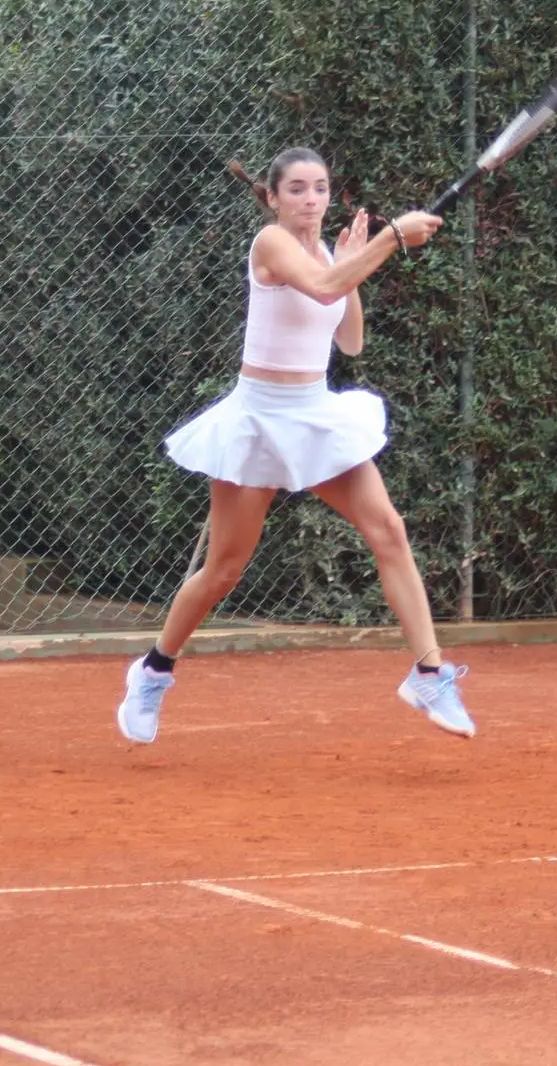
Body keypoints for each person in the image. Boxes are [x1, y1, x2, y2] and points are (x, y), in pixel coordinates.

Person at [115, 146, 475, 744]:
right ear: (274, 198)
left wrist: (358, 262)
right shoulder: (271, 244)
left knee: (388, 530)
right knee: (224, 570)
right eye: (299, 190)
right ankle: (153, 670)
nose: (312, 199)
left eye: (321, 188)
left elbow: (351, 340)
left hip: (314, 415)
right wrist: (391, 238)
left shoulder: (329, 252)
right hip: (258, 419)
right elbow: (320, 285)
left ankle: (430, 672)